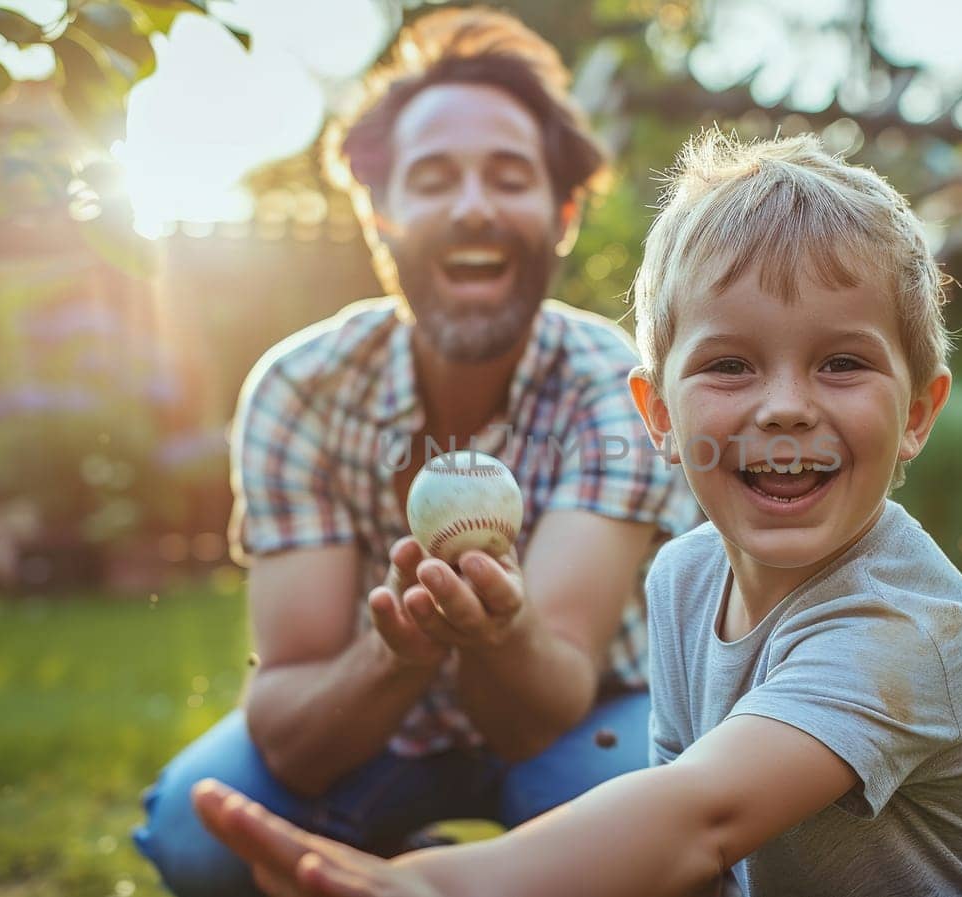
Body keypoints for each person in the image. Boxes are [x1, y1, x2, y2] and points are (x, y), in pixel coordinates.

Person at [186, 130, 962, 897]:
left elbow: (699, 818)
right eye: (729, 366)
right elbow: (694, 867)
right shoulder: (685, 577)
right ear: (656, 415)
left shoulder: (905, 627)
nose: (784, 406)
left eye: (841, 363)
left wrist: (431, 884)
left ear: (919, 413)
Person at [131, 9, 702, 896]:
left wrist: (498, 628)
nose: (472, 205)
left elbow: (540, 705)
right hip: (379, 724)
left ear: (561, 214)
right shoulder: (302, 388)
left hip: (583, 716)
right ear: (380, 213)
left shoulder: (612, 388)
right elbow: (287, 727)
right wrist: (398, 648)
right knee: (200, 839)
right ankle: (418, 849)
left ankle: (447, 872)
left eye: (509, 177)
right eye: (432, 179)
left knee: (655, 832)